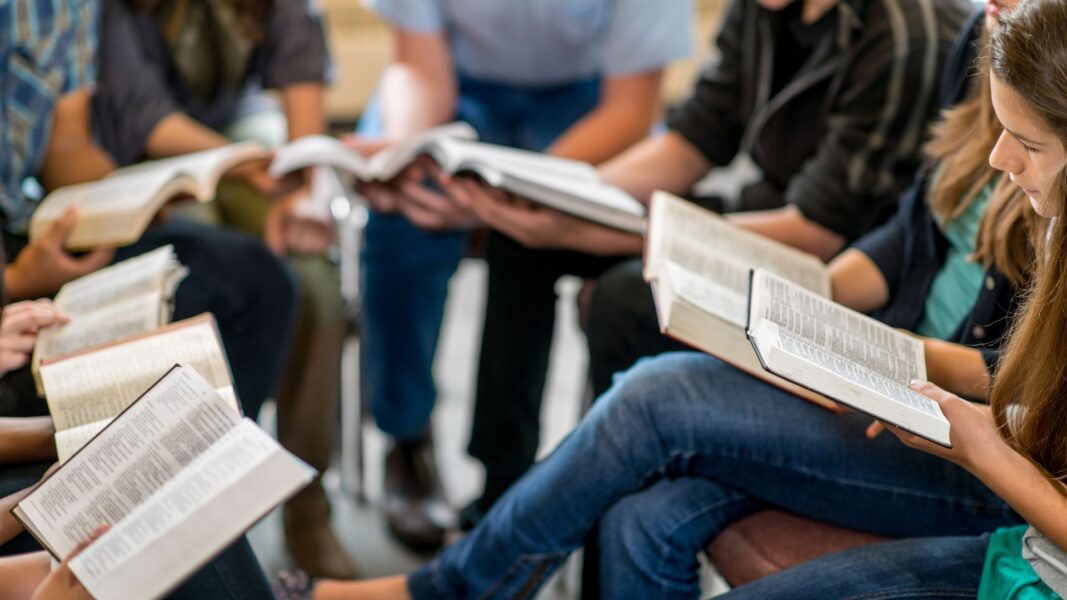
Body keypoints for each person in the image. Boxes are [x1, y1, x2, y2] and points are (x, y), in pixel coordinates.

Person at [303, 1, 1046, 597]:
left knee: (656, 394)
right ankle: (498, 499)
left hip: (955, 418)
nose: (997, 159)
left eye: (1023, 145)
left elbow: (1013, 375)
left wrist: (862, 343)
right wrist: (800, 302)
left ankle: (452, 586)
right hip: (907, 365)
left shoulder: (946, 45)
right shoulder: (987, 48)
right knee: (644, 512)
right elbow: (907, 234)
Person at [439, 0, 974, 526]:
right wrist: (566, 200)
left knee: (628, 298)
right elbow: (692, 141)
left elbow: (817, 230)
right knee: (522, 237)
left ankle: (610, 503)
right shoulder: (765, 8)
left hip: (834, 261)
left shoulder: (905, 35)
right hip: (768, 210)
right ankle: (503, 490)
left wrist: (611, 235)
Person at [353, 0, 694, 549]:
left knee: (555, 234)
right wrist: (408, 157)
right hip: (460, 86)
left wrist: (512, 192)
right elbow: (420, 66)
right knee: (401, 221)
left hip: (590, 100)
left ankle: (618, 465)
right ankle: (408, 436)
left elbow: (630, 109)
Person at [90, 0, 352, 578]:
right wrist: (238, 164)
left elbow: (299, 65)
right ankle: (197, 512)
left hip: (237, 135)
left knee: (313, 282)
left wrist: (303, 187)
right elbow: (141, 112)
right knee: (200, 277)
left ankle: (307, 507)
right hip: (130, 153)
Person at [1, 0, 296, 423]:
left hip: (23, 221)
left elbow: (66, 147)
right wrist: (17, 281)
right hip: (14, 266)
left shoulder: (72, 7)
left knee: (253, 282)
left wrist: (132, 199)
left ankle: (212, 475)